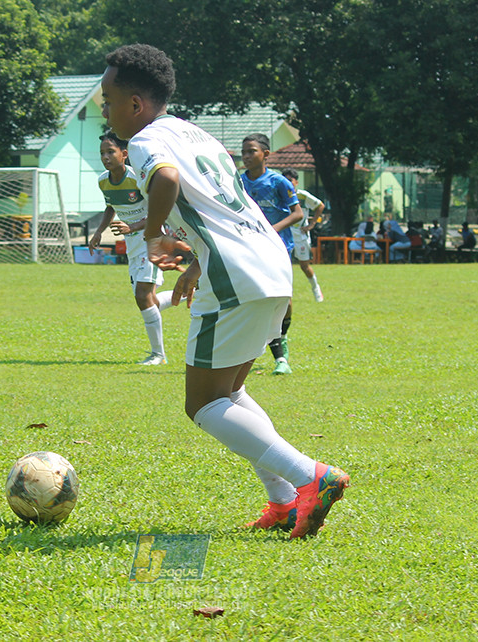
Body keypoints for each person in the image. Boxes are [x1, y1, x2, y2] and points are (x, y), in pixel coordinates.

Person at [101, 43, 349, 539]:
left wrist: (152, 236)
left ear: (135, 104)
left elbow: (167, 179)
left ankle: (310, 476)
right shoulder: (196, 133)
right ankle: (283, 502)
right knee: (230, 391)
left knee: (203, 405)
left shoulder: (149, 140)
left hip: (234, 274)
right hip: (267, 265)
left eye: (107, 99)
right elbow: (219, 206)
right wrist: (194, 259)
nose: (103, 110)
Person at [89, 132, 174, 365]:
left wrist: (133, 226)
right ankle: (185, 293)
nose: (105, 157)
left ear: (124, 154)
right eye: (102, 153)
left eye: (110, 152)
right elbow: (110, 206)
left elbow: (160, 209)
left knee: (142, 296)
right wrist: (99, 231)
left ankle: (158, 355)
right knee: (149, 301)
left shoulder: (139, 178)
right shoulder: (102, 180)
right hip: (133, 244)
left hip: (152, 238)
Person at [240, 134, 303, 375]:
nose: (246, 156)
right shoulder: (238, 182)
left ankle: (282, 347)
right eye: (244, 152)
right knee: (253, 298)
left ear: (266, 154)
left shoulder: (278, 182)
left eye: (251, 151)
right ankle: (272, 356)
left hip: (278, 248)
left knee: (283, 301)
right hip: (247, 248)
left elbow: (297, 214)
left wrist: (270, 230)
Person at [280, 168, 324, 302]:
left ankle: (315, 287)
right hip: (285, 234)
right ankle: (285, 293)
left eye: (290, 180)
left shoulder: (302, 196)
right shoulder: (279, 194)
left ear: (296, 182)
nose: (287, 183)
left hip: (300, 235)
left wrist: (312, 224)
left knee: (304, 265)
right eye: (285, 180)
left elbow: (320, 206)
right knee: (283, 264)